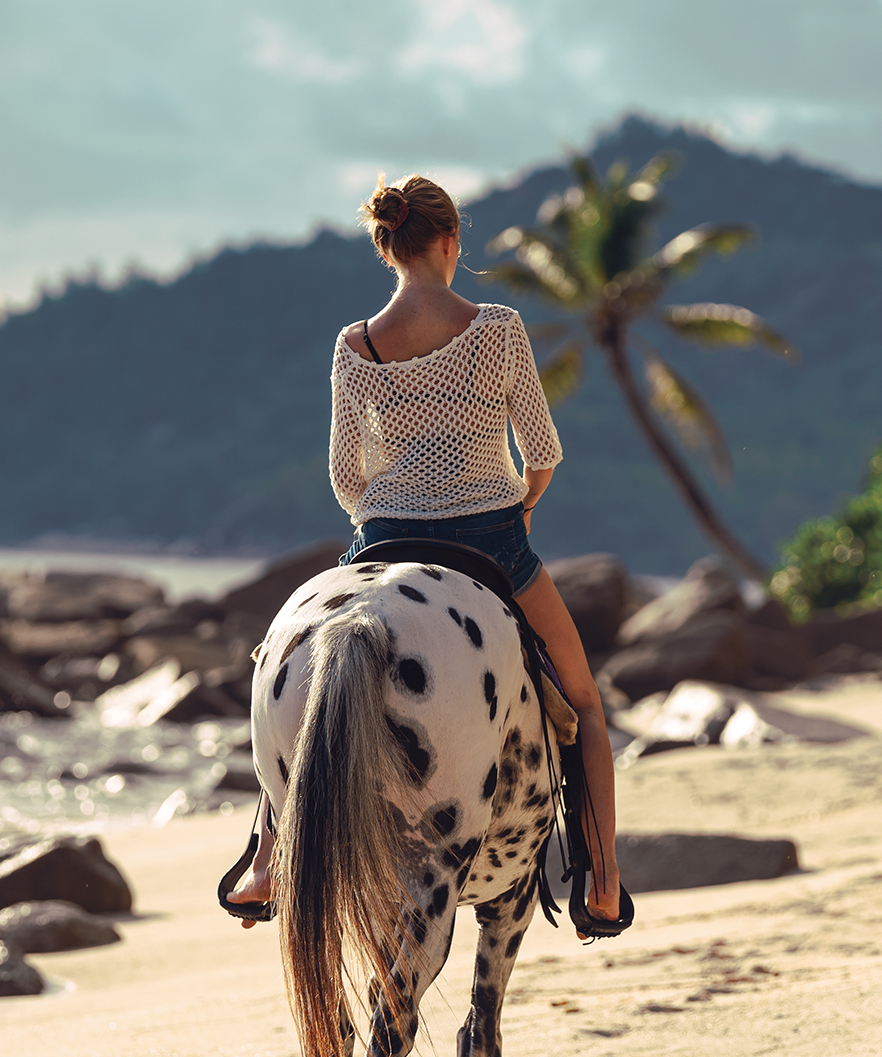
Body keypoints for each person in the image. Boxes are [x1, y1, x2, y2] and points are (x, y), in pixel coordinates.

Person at [228, 173, 621, 929]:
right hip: (491, 539)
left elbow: (347, 481)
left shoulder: (354, 345)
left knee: (301, 666)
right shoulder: (498, 327)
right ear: (450, 242)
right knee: (585, 701)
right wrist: (523, 504)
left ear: (387, 248)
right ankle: (601, 879)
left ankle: (266, 855)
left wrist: (396, 502)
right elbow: (542, 451)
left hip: (381, 538)